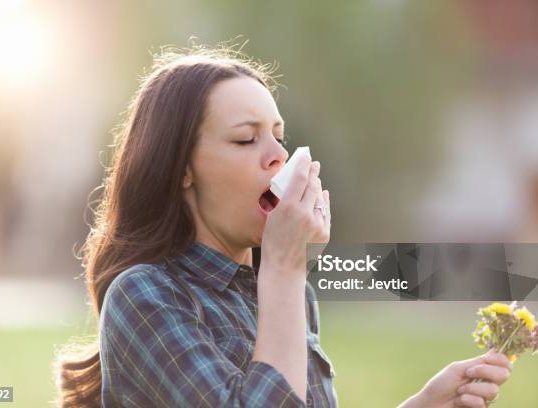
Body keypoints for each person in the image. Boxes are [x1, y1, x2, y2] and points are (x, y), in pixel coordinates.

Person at [56, 44, 511, 408]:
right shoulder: (146, 295)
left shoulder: (289, 294)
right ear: (182, 169)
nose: (278, 155)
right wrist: (285, 269)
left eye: (279, 135)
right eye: (245, 138)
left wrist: (421, 405)